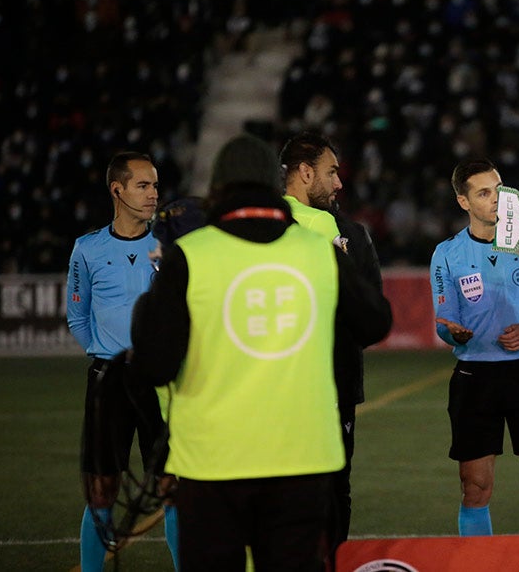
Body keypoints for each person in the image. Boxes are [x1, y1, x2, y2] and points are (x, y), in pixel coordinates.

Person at [129, 133, 392, 571]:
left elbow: (154, 364)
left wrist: (146, 309)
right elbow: (375, 322)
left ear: (218, 186)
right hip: (302, 459)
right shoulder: (317, 251)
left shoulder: (189, 256)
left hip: (212, 463)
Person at [430, 157, 519, 537]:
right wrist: (453, 335)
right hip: (474, 378)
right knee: (475, 490)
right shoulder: (446, 254)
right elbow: (445, 320)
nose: (495, 198)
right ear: (464, 202)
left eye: (498, 188)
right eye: (483, 192)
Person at [66, 151, 180, 571]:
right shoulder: (87, 249)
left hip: (162, 382)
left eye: (155, 185)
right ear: (117, 189)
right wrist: (107, 356)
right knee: (101, 490)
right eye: (143, 185)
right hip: (108, 384)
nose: (154, 194)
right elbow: (77, 315)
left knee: (172, 487)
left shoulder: (171, 245)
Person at [280, 130, 385, 550]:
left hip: (325, 385)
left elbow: (373, 310)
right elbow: (374, 318)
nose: (340, 183)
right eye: (331, 172)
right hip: (300, 389)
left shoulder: (352, 233)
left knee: (328, 489)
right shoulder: (325, 230)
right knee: (317, 489)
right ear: (305, 173)